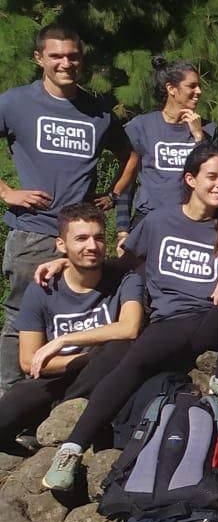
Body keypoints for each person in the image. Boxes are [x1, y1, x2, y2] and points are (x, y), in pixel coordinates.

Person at [40, 143, 218, 493]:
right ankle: (71, 449)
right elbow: (123, 264)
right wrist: (69, 262)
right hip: (169, 323)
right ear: (191, 179)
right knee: (133, 361)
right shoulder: (159, 221)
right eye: (212, 176)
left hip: (215, 320)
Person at [0, 23, 129, 392]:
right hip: (34, 232)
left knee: (78, 319)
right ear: (39, 58)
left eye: (72, 56)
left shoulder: (97, 112)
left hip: (82, 237)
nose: (65, 63)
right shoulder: (15, 102)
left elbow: (129, 153)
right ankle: (9, 402)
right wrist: (7, 192)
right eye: (56, 55)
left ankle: (57, 400)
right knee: (21, 319)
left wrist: (114, 193)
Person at [0, 205, 144, 448]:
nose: (91, 246)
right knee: (10, 407)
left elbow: (129, 328)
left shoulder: (125, 281)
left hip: (106, 376)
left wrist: (65, 340)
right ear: (61, 245)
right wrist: (87, 359)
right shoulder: (43, 287)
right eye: (81, 238)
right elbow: (29, 361)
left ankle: (59, 419)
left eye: (98, 238)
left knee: (120, 349)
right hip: (58, 377)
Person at [115, 57, 218, 252]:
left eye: (199, 86)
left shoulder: (209, 130)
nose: (199, 92)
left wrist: (199, 136)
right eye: (192, 86)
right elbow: (126, 181)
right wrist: (122, 231)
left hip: (193, 224)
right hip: (149, 221)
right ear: (172, 89)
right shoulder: (141, 127)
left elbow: (214, 175)